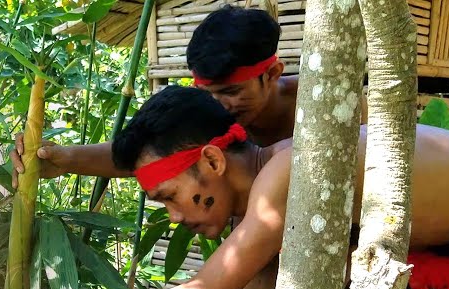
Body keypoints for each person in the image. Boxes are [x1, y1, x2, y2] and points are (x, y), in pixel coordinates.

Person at [0, 86, 449, 289]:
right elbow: (158, 166)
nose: (173, 216)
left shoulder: (285, 174)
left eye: (169, 198)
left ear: (212, 159)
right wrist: (65, 160)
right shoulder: (267, 171)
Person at [23, 6, 298, 180]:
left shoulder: (316, 106)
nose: (217, 105)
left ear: (272, 73)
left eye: (231, 91)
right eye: (206, 93)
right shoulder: (207, 111)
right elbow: (150, 153)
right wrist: (65, 159)